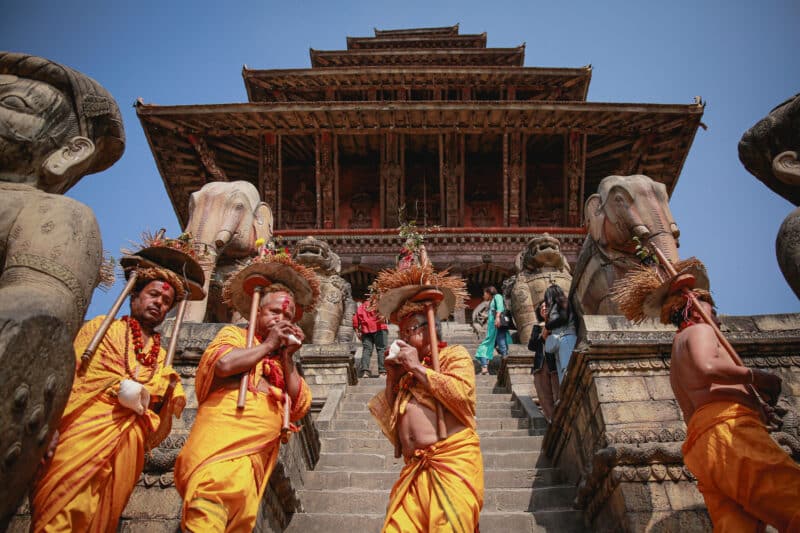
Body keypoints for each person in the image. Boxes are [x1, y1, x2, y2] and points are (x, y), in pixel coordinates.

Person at [31, 260, 190, 532]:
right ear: (134, 296)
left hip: (127, 443)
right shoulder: (101, 329)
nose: (159, 303)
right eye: (153, 295)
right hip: (85, 429)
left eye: (166, 301)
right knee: (61, 513)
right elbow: (71, 376)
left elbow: (157, 415)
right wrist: (51, 424)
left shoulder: (163, 357)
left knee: (101, 519)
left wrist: (168, 392)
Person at [174, 250, 319, 532]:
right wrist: (266, 345)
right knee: (207, 511)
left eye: (288, 315)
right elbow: (224, 364)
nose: (282, 318)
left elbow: (299, 404)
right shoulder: (237, 336)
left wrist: (287, 356)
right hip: (222, 446)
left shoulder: (282, 359)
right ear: (258, 311)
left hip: (255, 458)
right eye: (274, 311)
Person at [668, 290, 800, 531]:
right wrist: (758, 377)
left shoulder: (677, 354)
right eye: (714, 312)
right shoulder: (699, 330)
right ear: (695, 310)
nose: (718, 321)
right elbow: (707, 368)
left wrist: (756, 407)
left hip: (703, 446)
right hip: (730, 433)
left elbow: (706, 391)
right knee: (792, 499)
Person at [367, 263, 484, 532]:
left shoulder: (453, 356)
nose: (404, 337)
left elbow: (463, 398)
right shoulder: (406, 375)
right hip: (413, 471)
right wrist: (393, 377)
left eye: (411, 330)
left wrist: (419, 368)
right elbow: (392, 430)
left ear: (429, 328)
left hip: (451, 461)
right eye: (402, 333)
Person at [528, 301, 560, 423]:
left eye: (546, 306)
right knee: (544, 395)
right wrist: (542, 336)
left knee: (558, 392)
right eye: (541, 307)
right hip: (541, 364)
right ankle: (552, 421)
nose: (544, 308)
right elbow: (531, 346)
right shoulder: (537, 327)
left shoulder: (558, 322)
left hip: (555, 363)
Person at [541, 284, 577, 382]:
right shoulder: (554, 306)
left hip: (566, 338)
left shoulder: (561, 301)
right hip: (559, 343)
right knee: (562, 374)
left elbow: (563, 318)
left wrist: (548, 327)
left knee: (567, 371)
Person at [474, 285, 511, 375]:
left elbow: (500, 308)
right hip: (492, 330)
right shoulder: (491, 302)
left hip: (497, 326)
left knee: (502, 346)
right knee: (486, 347)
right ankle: (485, 367)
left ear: (488, 293)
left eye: (484, 294)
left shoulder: (497, 297)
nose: (483, 296)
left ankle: (505, 366)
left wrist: (497, 318)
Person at [353, 300, 389, 378]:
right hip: (380, 328)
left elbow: (355, 319)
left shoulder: (361, 306)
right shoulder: (379, 303)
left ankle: (365, 371)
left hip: (365, 330)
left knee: (367, 350)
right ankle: (382, 372)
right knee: (381, 349)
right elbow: (384, 315)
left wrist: (357, 330)